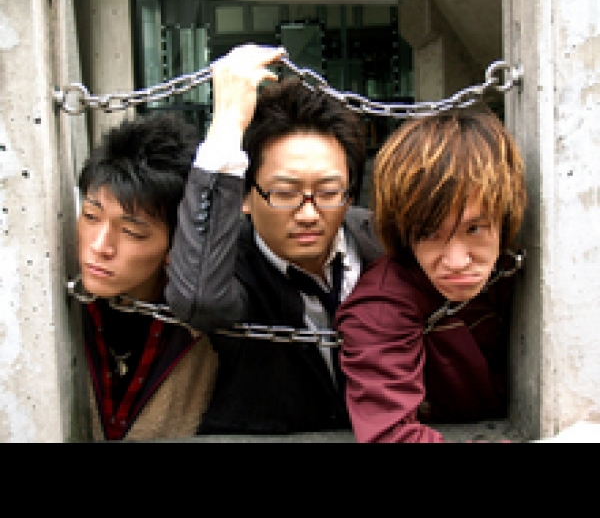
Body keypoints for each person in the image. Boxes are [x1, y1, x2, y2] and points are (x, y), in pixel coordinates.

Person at [165, 44, 384, 435]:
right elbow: (198, 299)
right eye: (284, 193)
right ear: (245, 196)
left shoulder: (380, 243)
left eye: (329, 191)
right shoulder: (225, 264)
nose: (308, 214)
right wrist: (228, 123)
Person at [334, 105, 528, 443]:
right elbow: (389, 435)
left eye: (474, 229)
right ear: (404, 232)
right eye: (429, 233)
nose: (456, 261)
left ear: (504, 217)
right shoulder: (381, 307)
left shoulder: (516, 270)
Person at [75, 113, 218, 442]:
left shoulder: (202, 328)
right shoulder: (55, 302)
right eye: (91, 216)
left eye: (131, 232)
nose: (100, 246)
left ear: (177, 244)